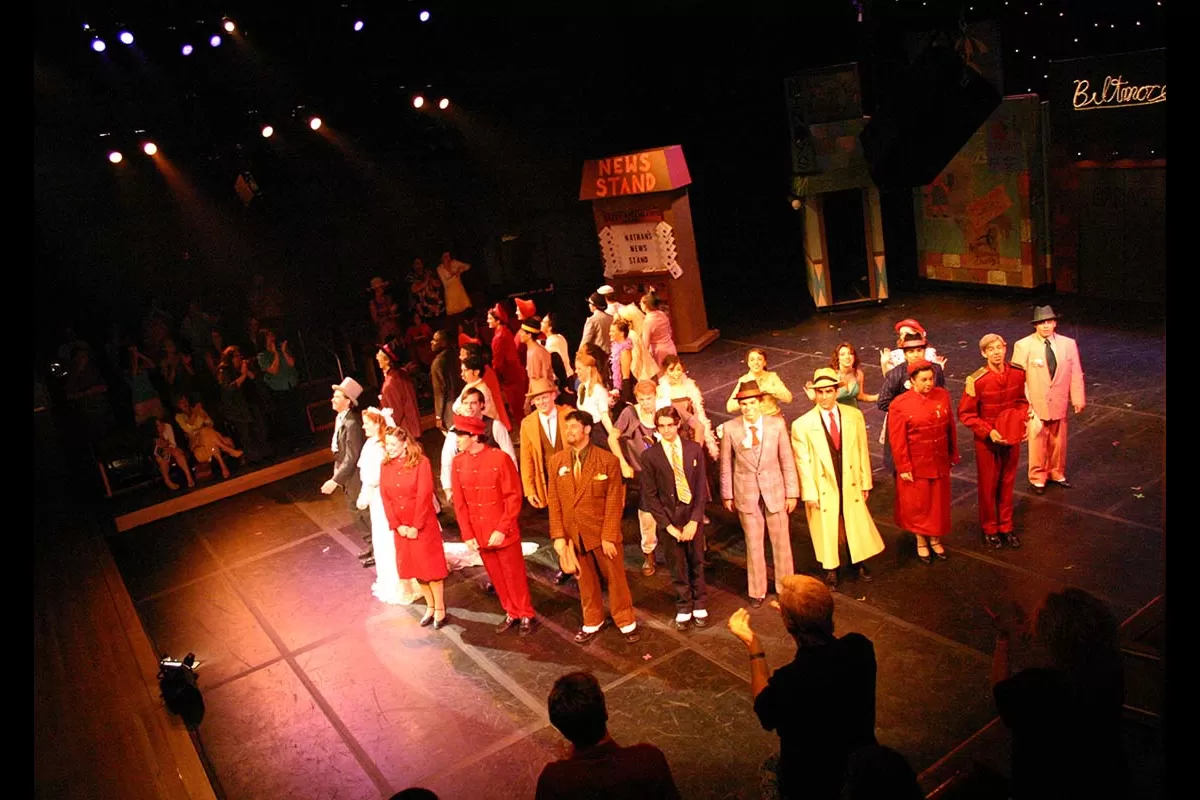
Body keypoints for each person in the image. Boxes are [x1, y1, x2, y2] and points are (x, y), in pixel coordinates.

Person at [726, 575, 878, 800]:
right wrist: (798, 616)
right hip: (863, 767)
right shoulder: (860, 647)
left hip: (812, 785)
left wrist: (753, 644)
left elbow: (764, 707)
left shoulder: (790, 681)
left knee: (769, 769)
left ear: (788, 624)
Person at [990, 588, 1128, 800]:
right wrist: (1036, 638)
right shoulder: (1108, 667)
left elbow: (1001, 690)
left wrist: (1003, 638)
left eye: (1035, 621)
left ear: (1050, 638)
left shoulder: (1036, 687)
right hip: (1104, 781)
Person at [548, 411, 641, 644]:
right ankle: (592, 620)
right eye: (566, 427)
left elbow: (614, 502)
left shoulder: (607, 461)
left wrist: (608, 536)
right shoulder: (557, 461)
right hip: (574, 534)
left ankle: (625, 620)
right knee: (585, 581)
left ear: (587, 429)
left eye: (573, 426)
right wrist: (558, 536)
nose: (568, 431)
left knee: (616, 580)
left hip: (602, 534)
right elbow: (554, 501)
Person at [792, 368, 885, 589]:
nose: (824, 397)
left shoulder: (853, 416)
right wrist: (810, 492)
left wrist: (865, 481)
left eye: (829, 391)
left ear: (836, 391)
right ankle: (831, 568)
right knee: (827, 526)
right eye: (820, 392)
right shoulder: (802, 425)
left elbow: (862, 450)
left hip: (849, 478)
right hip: (824, 483)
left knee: (853, 521)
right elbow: (803, 463)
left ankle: (857, 561)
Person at [449, 414, 537, 636]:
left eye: (460, 435)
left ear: (474, 436)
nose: (457, 439)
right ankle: (511, 612)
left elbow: (513, 497)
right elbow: (459, 503)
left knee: (514, 575)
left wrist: (502, 529)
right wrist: (467, 534)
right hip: (479, 532)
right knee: (496, 576)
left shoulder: (500, 459)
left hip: (502, 531)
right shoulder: (458, 463)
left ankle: (525, 613)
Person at [535, 671, 681, 800]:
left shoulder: (555, 781)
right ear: (605, 712)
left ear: (561, 729)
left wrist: (566, 766)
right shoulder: (648, 760)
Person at [721, 380, 799, 607]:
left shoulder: (776, 425)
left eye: (752, 403)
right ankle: (757, 591)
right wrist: (727, 494)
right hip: (746, 492)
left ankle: (786, 587)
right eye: (744, 404)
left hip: (775, 490)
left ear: (760, 403)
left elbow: (787, 460)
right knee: (753, 543)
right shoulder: (731, 428)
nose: (748, 408)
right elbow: (725, 464)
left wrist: (792, 493)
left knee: (781, 541)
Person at [640, 406, 709, 631]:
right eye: (662, 426)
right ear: (657, 428)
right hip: (669, 519)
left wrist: (694, 520)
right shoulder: (650, 456)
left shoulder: (694, 449)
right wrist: (667, 525)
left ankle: (700, 602)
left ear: (678, 424)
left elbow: (701, 488)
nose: (667, 430)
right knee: (677, 565)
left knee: (697, 561)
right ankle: (684, 605)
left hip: (691, 517)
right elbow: (650, 495)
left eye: (670, 425)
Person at [958, 333, 1029, 549]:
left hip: (1010, 439)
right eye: (991, 349)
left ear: (1005, 348)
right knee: (988, 487)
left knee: (1007, 484)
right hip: (987, 442)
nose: (996, 352)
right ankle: (990, 528)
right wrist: (989, 432)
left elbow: (1021, 402)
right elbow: (966, 414)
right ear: (984, 353)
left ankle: (1006, 526)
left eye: (999, 347)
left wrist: (1019, 423)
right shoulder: (977, 380)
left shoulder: (1017, 373)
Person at [888, 361, 958, 566]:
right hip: (917, 464)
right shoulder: (899, 404)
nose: (929, 383)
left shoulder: (942, 395)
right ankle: (921, 539)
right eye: (924, 380)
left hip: (939, 460)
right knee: (919, 505)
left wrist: (953, 454)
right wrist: (904, 466)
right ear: (912, 381)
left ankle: (935, 538)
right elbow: (897, 439)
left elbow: (950, 427)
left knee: (937, 504)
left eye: (931, 379)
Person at [1011, 305, 1086, 495]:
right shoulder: (1024, 345)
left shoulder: (1068, 344)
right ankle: (1037, 477)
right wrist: (1025, 404)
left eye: (1049, 322)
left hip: (1058, 400)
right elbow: (1017, 379)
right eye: (1041, 322)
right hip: (1035, 402)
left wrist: (1078, 397)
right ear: (1035, 325)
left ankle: (1056, 472)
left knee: (1058, 441)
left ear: (1055, 323)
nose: (1045, 325)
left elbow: (1076, 372)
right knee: (1037, 440)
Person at [380, 426, 449, 628]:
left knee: (431, 568)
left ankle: (440, 608)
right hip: (401, 528)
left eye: (393, 444)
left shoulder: (421, 463)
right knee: (416, 568)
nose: (389, 448)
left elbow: (424, 495)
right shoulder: (385, 465)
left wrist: (415, 526)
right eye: (387, 444)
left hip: (422, 525)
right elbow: (385, 497)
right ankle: (430, 606)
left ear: (404, 443)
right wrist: (397, 525)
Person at [357, 408, 419, 603]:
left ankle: (403, 579)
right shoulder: (370, 444)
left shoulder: (381, 447)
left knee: (389, 536)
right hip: (376, 498)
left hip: (383, 496)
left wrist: (365, 493)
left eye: (367, 423)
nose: (364, 426)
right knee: (381, 536)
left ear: (378, 424)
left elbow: (377, 476)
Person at [876, 331, 945, 473]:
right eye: (911, 351)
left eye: (919, 350)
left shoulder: (936, 370)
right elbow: (883, 402)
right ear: (905, 354)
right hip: (905, 430)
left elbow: (940, 395)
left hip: (929, 428)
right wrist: (908, 413)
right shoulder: (896, 374)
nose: (915, 355)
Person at [321, 378, 372, 562]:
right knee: (355, 511)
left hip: (355, 475)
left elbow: (352, 456)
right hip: (347, 475)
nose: (332, 399)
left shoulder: (352, 424)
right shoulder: (341, 419)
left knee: (363, 511)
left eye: (337, 397)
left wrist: (335, 480)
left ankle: (377, 547)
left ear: (348, 401)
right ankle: (371, 544)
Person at [440, 387, 516, 502]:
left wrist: (512, 483)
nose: (469, 407)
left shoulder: (495, 426)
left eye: (473, 403)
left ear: (481, 404)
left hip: (495, 484)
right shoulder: (454, 430)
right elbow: (447, 460)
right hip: (469, 487)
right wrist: (448, 489)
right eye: (466, 403)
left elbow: (510, 456)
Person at [656, 355, 719, 460]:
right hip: (675, 434)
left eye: (678, 369)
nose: (676, 373)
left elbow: (698, 412)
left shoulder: (690, 387)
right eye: (671, 370)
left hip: (693, 433)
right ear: (665, 371)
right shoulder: (661, 391)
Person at [174, 394, 241, 478]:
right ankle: (226, 449)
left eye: (185, 401)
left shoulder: (198, 410)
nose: (185, 403)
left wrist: (204, 417)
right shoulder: (179, 417)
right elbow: (189, 427)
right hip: (197, 443)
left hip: (209, 438)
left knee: (206, 433)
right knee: (205, 431)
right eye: (181, 402)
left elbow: (210, 424)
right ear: (178, 406)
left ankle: (223, 466)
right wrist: (196, 413)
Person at [574, 352, 623, 454]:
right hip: (584, 431)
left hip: (596, 432)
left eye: (579, 368)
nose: (576, 371)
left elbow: (604, 417)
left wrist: (612, 436)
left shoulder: (598, 389)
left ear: (588, 369)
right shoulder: (581, 388)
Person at [804, 343, 878, 409]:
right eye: (842, 354)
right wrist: (814, 399)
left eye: (850, 354)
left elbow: (860, 396)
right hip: (837, 414)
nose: (847, 357)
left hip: (853, 413)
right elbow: (825, 400)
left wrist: (877, 397)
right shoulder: (831, 375)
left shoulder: (858, 374)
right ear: (838, 358)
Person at [488, 303, 528, 424]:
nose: (487, 321)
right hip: (515, 374)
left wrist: (496, 380)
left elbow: (497, 362)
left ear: (497, 320)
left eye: (490, 318)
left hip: (511, 377)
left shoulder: (499, 337)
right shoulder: (505, 331)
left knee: (518, 410)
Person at [257, 329, 299, 441]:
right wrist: (275, 353)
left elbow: (291, 363)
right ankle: (292, 441)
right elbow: (274, 370)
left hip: (291, 385)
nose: (272, 338)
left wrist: (283, 351)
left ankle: (303, 438)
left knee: (297, 413)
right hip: (278, 390)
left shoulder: (282, 350)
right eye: (269, 336)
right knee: (286, 417)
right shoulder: (262, 356)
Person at [726, 348, 793, 418]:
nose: (756, 362)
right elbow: (730, 407)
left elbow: (788, 398)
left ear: (764, 363)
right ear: (748, 363)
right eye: (752, 360)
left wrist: (770, 389)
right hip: (754, 420)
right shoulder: (744, 380)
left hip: (773, 417)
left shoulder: (772, 377)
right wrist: (747, 396)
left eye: (759, 359)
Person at [376, 340, 421, 440]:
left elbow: (395, 413)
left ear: (387, 361)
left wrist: (387, 433)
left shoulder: (390, 384)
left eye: (379, 355)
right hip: (413, 426)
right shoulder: (402, 373)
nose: (376, 357)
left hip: (404, 432)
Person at [878, 318, 945, 377]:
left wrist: (938, 370)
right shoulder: (895, 355)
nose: (903, 336)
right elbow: (890, 380)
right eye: (901, 334)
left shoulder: (929, 353)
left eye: (907, 333)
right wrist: (884, 364)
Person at [429, 330, 462, 434]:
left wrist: (438, 416)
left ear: (443, 343)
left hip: (449, 407)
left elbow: (440, 392)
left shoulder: (437, 363)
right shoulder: (456, 355)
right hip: (461, 399)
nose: (431, 342)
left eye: (435, 340)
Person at [150, 417, 195, 491]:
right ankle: (167, 481)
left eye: (160, 423)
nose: (160, 426)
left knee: (177, 453)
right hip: (160, 453)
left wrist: (169, 448)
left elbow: (172, 442)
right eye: (157, 425)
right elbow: (156, 449)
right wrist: (160, 438)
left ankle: (189, 477)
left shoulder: (167, 427)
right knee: (161, 459)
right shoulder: (153, 435)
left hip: (170, 448)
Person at [541, 312, 576, 401]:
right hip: (569, 377)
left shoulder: (552, 342)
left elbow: (557, 364)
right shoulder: (560, 337)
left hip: (563, 381)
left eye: (544, 322)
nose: (541, 323)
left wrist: (562, 385)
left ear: (550, 327)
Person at [640, 292, 677, 374]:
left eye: (641, 303)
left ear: (645, 305)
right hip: (670, 347)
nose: (640, 304)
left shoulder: (648, 321)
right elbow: (669, 331)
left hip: (659, 352)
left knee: (663, 377)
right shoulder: (662, 314)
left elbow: (646, 343)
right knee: (674, 374)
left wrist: (643, 358)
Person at [406, 257, 444, 323]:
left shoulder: (428, 273)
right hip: (421, 312)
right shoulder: (410, 276)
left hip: (435, 308)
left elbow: (438, 284)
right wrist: (426, 281)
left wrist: (433, 281)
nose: (419, 265)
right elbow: (414, 289)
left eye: (420, 263)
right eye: (417, 263)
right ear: (413, 266)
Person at [608, 319, 635, 408]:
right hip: (616, 386)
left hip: (624, 391)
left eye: (613, 331)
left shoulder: (625, 351)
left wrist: (626, 398)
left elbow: (626, 377)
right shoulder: (615, 347)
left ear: (621, 333)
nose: (610, 333)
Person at [519, 317, 552, 390]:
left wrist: (529, 396)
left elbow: (535, 380)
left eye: (522, 331)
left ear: (529, 335)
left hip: (542, 392)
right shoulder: (536, 349)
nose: (520, 334)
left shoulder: (534, 353)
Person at [437, 251, 472, 318]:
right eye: (446, 256)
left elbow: (468, 266)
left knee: (466, 312)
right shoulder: (440, 268)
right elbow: (445, 282)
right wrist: (455, 273)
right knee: (455, 316)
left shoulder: (454, 263)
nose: (448, 258)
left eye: (449, 256)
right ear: (441, 258)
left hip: (460, 291)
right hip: (450, 294)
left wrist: (460, 270)